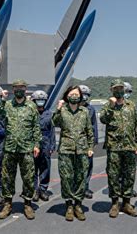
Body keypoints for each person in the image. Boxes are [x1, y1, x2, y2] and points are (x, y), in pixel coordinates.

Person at [0, 79, 42, 220]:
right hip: (10, 148)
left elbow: (36, 126)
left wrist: (36, 144)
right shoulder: (8, 105)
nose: (19, 90)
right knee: (7, 178)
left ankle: (27, 204)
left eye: (22, 87)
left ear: (25, 89)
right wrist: (2, 100)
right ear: (13, 90)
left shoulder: (31, 106)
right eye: (16, 88)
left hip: (26, 148)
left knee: (28, 178)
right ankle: (7, 203)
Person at [100, 79, 137, 218]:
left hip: (130, 147)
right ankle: (114, 203)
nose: (119, 91)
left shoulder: (131, 106)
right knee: (113, 176)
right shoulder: (107, 106)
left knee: (129, 176)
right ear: (111, 90)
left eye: (121, 88)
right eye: (115, 88)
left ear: (124, 90)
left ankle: (126, 203)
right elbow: (103, 119)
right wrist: (111, 107)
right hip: (114, 147)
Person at [53, 86, 94, 221]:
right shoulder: (63, 110)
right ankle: (69, 205)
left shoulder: (85, 111)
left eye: (77, 94)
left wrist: (90, 147)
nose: (74, 96)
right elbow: (54, 122)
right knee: (66, 178)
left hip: (82, 149)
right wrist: (58, 109)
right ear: (67, 96)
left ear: (80, 96)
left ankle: (78, 205)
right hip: (66, 149)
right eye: (72, 94)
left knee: (81, 177)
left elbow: (89, 130)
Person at [31, 90, 56, 202]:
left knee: (45, 167)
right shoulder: (30, 113)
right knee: (33, 168)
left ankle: (43, 189)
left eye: (42, 100)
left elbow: (52, 131)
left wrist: (52, 146)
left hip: (46, 143)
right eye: (38, 100)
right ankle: (35, 190)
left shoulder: (49, 114)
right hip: (33, 143)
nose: (40, 102)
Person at [78, 85, 98, 199]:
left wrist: (94, 142)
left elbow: (94, 126)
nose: (84, 97)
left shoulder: (91, 109)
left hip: (87, 142)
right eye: (82, 94)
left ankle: (85, 187)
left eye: (86, 95)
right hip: (76, 142)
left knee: (88, 166)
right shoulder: (71, 107)